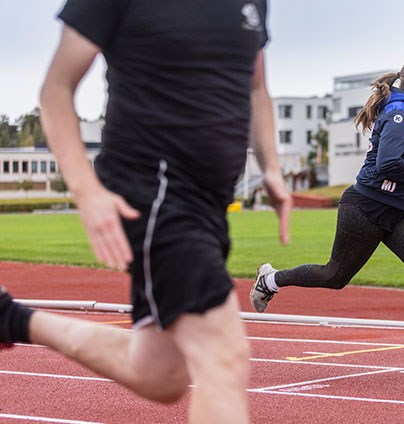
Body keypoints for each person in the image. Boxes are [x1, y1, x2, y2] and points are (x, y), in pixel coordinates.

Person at [0, 1, 292, 423]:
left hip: (208, 204)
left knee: (159, 373)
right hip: (151, 191)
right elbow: (56, 89)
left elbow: (255, 87)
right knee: (223, 355)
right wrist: (86, 190)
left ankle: (11, 319)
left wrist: (272, 169)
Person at [249, 56, 404, 375]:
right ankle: (270, 279)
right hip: (365, 208)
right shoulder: (401, 114)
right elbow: (387, 164)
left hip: (396, 211)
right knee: (334, 277)